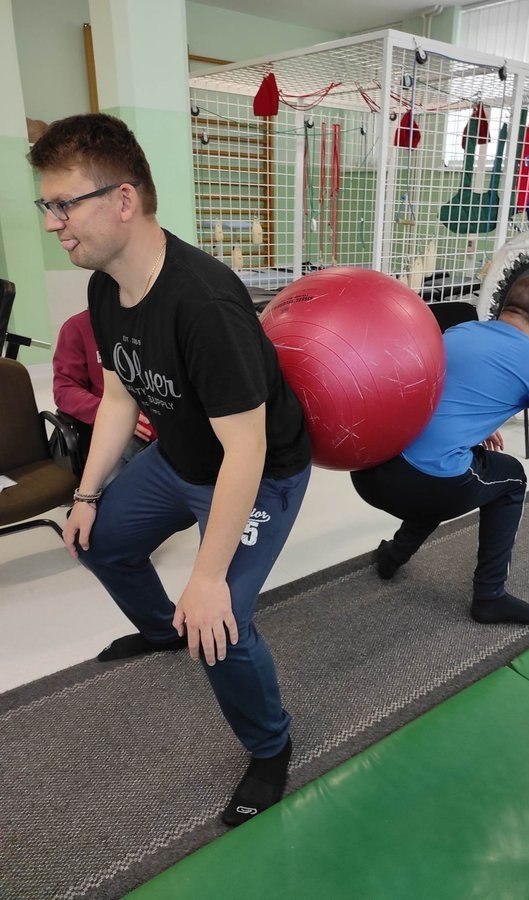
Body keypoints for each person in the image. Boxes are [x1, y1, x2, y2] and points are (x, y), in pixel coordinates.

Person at [29, 113, 312, 827]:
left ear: (123, 200)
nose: (53, 224)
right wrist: (87, 494)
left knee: (220, 626)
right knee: (99, 541)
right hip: (179, 457)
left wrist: (208, 579)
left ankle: (271, 746)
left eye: (64, 205)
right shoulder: (104, 286)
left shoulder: (204, 303)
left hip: (258, 474)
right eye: (47, 205)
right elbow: (120, 394)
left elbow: (246, 451)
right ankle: (162, 628)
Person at [351, 274, 529, 626]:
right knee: (510, 478)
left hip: (369, 469)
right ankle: (490, 597)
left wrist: (477, 425)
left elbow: (438, 395)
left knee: (452, 463)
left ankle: (393, 557)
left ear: (505, 307)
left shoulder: (459, 332)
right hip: (421, 486)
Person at [53, 308, 155, 468]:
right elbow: (64, 389)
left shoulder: (154, 322)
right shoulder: (77, 327)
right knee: (114, 473)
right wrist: (106, 412)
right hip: (117, 430)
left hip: (165, 425)